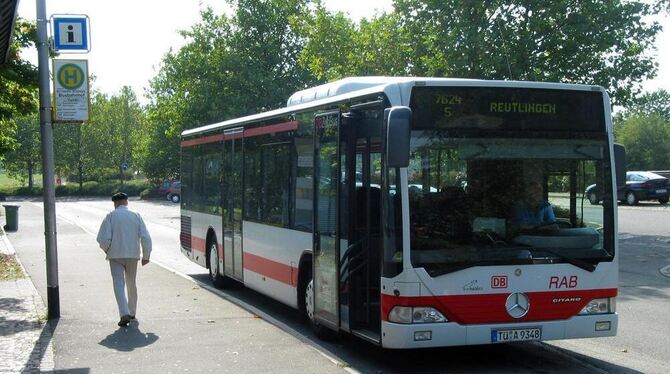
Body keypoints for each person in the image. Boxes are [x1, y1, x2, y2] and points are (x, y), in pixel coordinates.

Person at [96, 192, 152, 327]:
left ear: (115, 203)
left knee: (118, 284)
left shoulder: (110, 216)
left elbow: (102, 238)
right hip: (132, 254)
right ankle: (132, 312)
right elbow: (145, 237)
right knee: (131, 283)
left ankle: (123, 313)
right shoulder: (136, 216)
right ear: (127, 201)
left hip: (115, 255)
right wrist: (146, 255)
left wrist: (108, 249)